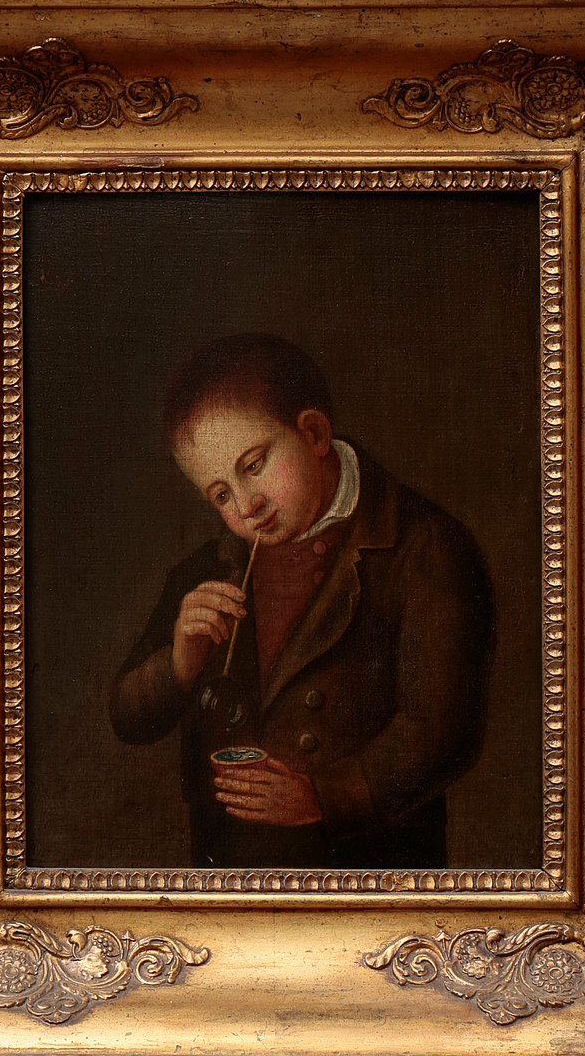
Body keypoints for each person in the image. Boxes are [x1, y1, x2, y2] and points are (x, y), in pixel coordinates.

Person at [110, 334, 493, 870]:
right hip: (230, 869)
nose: (246, 505)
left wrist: (322, 797)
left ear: (313, 433)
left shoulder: (423, 546)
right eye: (221, 494)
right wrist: (178, 665)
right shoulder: (207, 570)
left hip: (368, 868)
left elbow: (443, 732)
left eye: (253, 465)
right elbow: (126, 717)